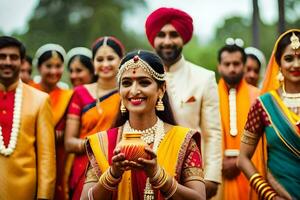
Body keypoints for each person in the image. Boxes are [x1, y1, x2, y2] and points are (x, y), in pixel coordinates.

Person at [80, 50, 206, 200]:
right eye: (126, 83)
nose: (134, 91)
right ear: (119, 91)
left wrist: (158, 176)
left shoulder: (182, 140)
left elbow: (199, 198)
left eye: (144, 82)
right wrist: (112, 175)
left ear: (161, 89)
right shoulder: (103, 143)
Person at [145, 7, 222, 198]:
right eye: (161, 35)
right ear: (153, 38)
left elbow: (213, 133)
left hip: (191, 174)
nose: (167, 41)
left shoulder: (204, 78)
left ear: (183, 38)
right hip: (147, 169)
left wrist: (212, 177)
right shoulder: (140, 77)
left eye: (174, 34)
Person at [237, 29, 300, 200]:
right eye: (289, 58)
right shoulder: (263, 105)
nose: (296, 64)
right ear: (278, 62)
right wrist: (268, 195)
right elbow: (242, 159)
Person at [64, 36, 124, 199]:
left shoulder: (128, 93)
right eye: (100, 59)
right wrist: (99, 144)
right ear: (94, 64)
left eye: (110, 58)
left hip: (119, 165)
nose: (105, 64)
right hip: (84, 168)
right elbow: (69, 142)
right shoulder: (80, 93)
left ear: (121, 61)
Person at [0, 36, 56, 199]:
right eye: (2, 57)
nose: (8, 62)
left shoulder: (40, 99)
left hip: (24, 191)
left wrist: (44, 196)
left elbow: (47, 157)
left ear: (22, 62)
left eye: (14, 57)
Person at [216, 39, 264, 200]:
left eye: (236, 64)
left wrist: (240, 161)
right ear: (219, 66)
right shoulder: (209, 96)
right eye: (227, 64)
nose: (232, 68)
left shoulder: (259, 97)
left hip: (251, 170)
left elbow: (264, 139)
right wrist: (218, 162)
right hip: (218, 172)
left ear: (243, 66)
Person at [31, 43, 73, 199]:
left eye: (58, 66)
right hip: (30, 156)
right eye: (48, 66)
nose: (54, 71)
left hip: (60, 156)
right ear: (39, 67)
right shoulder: (29, 91)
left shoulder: (68, 95)